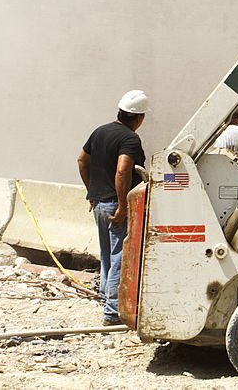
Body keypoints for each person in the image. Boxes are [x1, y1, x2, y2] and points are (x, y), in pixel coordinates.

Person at [77, 89, 148, 325]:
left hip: (99, 203)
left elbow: (82, 160)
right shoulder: (129, 138)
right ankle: (112, 311)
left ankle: (105, 299)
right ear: (139, 118)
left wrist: (92, 192)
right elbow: (122, 169)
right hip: (115, 205)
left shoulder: (100, 132)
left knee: (107, 255)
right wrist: (122, 203)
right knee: (120, 257)